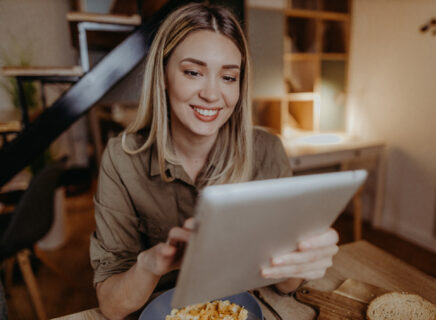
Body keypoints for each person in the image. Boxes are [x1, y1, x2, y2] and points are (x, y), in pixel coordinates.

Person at [90, 3, 339, 319]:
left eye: (228, 77)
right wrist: (150, 265)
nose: (212, 94)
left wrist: (301, 257)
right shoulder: (122, 159)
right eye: (193, 72)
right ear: (163, 75)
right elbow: (112, 307)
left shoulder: (267, 151)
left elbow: (286, 287)